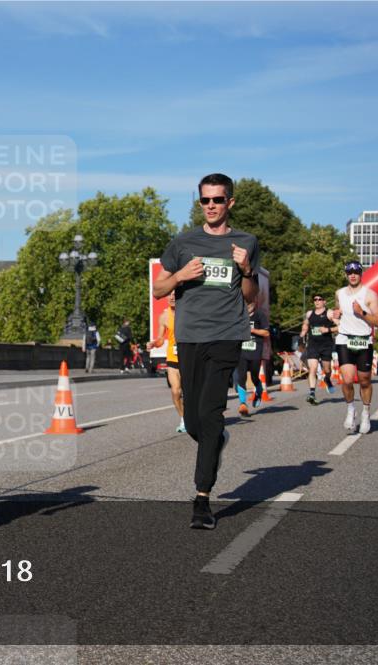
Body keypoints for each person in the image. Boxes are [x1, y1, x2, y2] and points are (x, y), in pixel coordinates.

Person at [154, 173, 260, 530]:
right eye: (205, 200)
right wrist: (181, 275)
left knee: (212, 413)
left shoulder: (246, 242)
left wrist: (246, 269)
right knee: (196, 421)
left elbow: (250, 296)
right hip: (188, 337)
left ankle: (202, 498)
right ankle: (216, 439)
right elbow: (158, 289)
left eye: (218, 200)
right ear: (199, 202)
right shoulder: (184, 242)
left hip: (227, 335)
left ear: (230, 202)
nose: (211, 206)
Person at [333, 261, 378, 435]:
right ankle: (350, 409)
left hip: (363, 341)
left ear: (361, 274)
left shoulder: (370, 295)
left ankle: (366, 413)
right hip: (344, 339)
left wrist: (361, 312)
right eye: (349, 272)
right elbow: (338, 310)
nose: (352, 275)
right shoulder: (339, 293)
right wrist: (336, 313)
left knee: (364, 381)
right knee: (347, 379)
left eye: (355, 272)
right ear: (346, 274)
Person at [151, 292, 185, 432]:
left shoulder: (187, 313)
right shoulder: (164, 317)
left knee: (191, 392)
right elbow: (160, 339)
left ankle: (196, 417)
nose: (172, 297)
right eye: (169, 295)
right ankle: (184, 419)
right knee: (175, 391)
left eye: (175, 295)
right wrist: (154, 344)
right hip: (172, 358)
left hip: (189, 358)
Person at [300, 293, 338, 404]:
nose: (317, 301)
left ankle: (327, 379)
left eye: (320, 299)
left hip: (326, 346)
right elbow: (306, 324)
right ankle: (312, 393)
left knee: (327, 370)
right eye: (315, 299)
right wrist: (302, 333)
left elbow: (340, 326)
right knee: (313, 368)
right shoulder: (309, 313)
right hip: (313, 345)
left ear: (324, 301)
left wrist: (328, 330)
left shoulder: (329, 313)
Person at [235, 300, 269, 417]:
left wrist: (253, 330)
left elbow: (266, 333)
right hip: (242, 351)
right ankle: (243, 403)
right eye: (245, 303)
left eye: (250, 304)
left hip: (255, 351)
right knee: (241, 376)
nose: (248, 306)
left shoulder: (260, 315)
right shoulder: (239, 315)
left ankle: (258, 390)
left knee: (254, 376)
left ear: (254, 304)